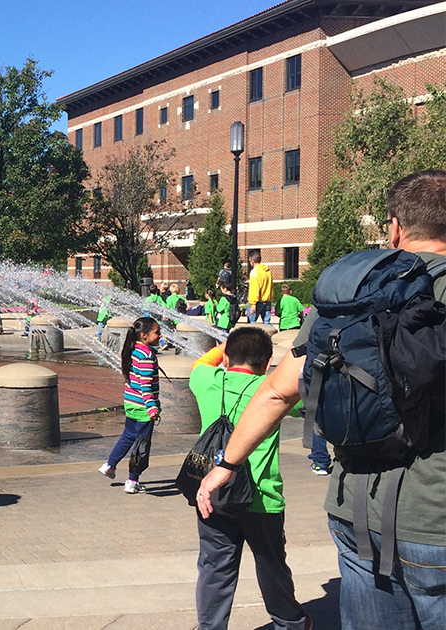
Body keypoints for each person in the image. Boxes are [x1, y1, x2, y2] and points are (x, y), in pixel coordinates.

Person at [197, 170, 446, 630]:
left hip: (357, 514)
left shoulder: (356, 292)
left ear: (394, 227)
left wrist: (225, 466)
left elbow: (275, 390)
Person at [189, 329, 309, 630]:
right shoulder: (271, 389)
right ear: (268, 362)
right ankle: (290, 622)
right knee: (271, 566)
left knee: (214, 568)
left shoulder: (208, 381)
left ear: (227, 357)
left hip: (214, 493)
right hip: (262, 498)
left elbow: (201, 363)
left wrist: (223, 347)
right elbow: (306, 401)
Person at [98, 316, 161, 494]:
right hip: (144, 408)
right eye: (157, 333)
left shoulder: (132, 351)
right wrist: (152, 408)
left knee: (127, 436)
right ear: (144, 335)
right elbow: (145, 385)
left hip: (131, 403)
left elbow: (132, 379)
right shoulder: (147, 356)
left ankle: (109, 465)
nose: (160, 336)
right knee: (141, 446)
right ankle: (132, 481)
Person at [246, 250, 273, 324]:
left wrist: (253, 304)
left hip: (258, 301)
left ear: (252, 261)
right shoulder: (268, 271)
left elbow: (254, 289)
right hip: (267, 300)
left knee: (252, 323)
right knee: (267, 322)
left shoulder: (254, 272)